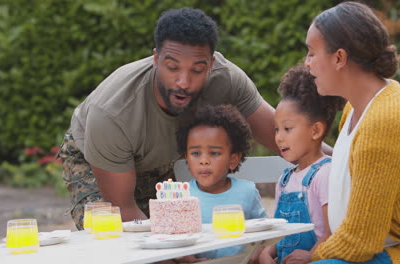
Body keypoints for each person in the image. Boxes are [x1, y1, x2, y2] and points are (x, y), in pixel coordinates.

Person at [58, 7, 278, 229]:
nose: (183, 81)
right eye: (172, 67)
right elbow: (123, 210)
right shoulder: (113, 112)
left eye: (196, 70)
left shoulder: (227, 80)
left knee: (182, 228)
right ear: (156, 59)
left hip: (161, 156)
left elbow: (285, 138)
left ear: (211, 65)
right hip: (95, 156)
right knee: (110, 236)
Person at [303, 2, 400, 264]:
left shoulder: (386, 120)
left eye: (311, 53)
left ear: (339, 58)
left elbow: (361, 241)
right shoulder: (355, 108)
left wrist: (313, 256)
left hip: (396, 253)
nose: (306, 64)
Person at [256, 65, 345, 264]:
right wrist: (267, 252)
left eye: (287, 129)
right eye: (276, 129)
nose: (278, 138)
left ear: (315, 131)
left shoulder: (325, 174)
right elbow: (281, 230)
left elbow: (333, 232)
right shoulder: (285, 180)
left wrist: (311, 255)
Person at [176, 104, 268, 259]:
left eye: (214, 153)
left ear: (233, 160)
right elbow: (173, 239)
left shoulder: (247, 191)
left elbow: (265, 233)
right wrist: (187, 258)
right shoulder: (181, 196)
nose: (204, 161)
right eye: (196, 153)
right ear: (186, 157)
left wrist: (257, 253)